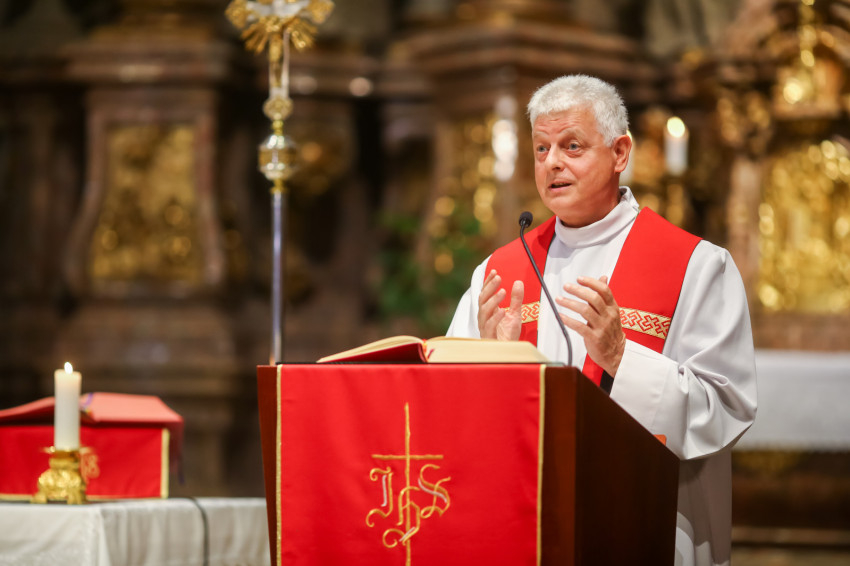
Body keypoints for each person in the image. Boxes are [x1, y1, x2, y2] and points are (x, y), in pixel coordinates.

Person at [446, 74, 757, 566]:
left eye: (572, 146)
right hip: (527, 521)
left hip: (644, 520)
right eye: (542, 148)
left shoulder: (696, 266)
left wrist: (622, 358)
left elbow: (726, 407)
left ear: (620, 153)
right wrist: (492, 363)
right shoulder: (498, 272)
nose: (552, 162)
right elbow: (452, 411)